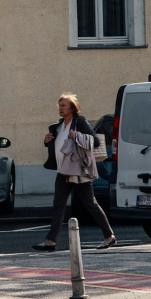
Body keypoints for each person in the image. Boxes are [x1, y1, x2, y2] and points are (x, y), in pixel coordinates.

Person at [33, 93, 117, 252]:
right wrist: (47, 141)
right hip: (63, 171)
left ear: (72, 108)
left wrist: (76, 135)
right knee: (58, 206)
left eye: (63, 105)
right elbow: (58, 145)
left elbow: (95, 141)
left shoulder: (80, 122)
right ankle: (50, 241)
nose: (60, 108)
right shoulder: (58, 127)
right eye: (59, 105)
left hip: (78, 172)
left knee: (90, 204)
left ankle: (109, 236)